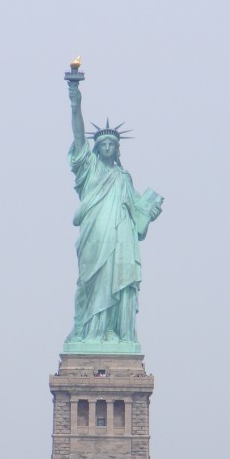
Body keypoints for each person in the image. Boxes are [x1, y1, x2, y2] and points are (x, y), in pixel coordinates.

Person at [65, 78, 162, 347]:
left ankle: (113, 332)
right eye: (103, 144)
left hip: (120, 239)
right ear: (96, 149)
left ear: (117, 149)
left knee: (115, 281)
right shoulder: (90, 170)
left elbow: (138, 217)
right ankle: (88, 332)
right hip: (95, 235)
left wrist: (150, 211)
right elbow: (77, 135)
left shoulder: (123, 178)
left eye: (112, 144)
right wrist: (76, 102)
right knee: (92, 282)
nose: (107, 147)